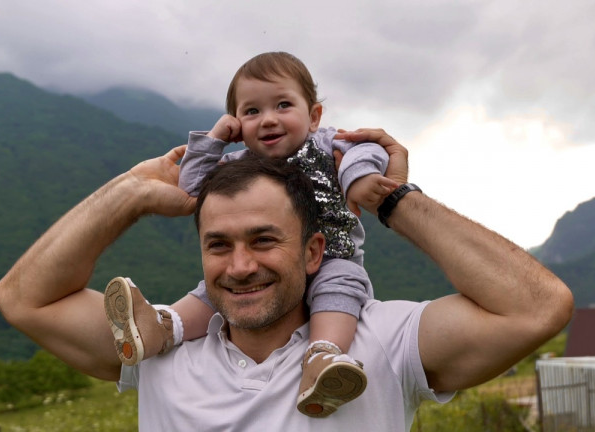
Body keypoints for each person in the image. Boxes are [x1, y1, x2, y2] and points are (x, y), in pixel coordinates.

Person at [0, 129, 574, 431]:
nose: (240, 265)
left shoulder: (382, 342)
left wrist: (387, 197)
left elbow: (538, 307)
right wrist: (131, 191)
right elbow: (23, 298)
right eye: (218, 245)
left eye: (264, 239)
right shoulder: (154, 349)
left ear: (315, 250)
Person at [103, 51, 394, 417]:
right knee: (213, 291)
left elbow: (367, 149)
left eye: (283, 105)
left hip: (334, 258)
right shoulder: (238, 165)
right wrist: (216, 139)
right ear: (237, 123)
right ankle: (161, 327)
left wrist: (361, 179)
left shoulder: (328, 146)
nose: (268, 119)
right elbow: (192, 188)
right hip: (267, 267)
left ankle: (322, 360)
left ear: (315, 115)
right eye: (252, 111)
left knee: (340, 288)